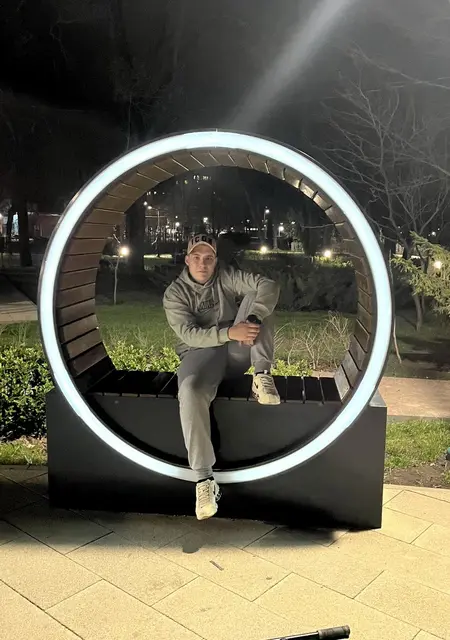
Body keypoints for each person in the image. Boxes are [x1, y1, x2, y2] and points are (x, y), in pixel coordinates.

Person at [163, 232, 281, 520]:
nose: (202, 264)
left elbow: (268, 285)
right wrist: (230, 332)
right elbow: (190, 334)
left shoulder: (225, 277)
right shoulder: (175, 293)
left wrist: (253, 318)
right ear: (187, 260)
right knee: (190, 391)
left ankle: (261, 375)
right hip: (199, 356)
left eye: (209, 258)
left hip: (235, 353)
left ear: (215, 261)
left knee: (259, 298)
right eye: (196, 257)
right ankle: (204, 480)